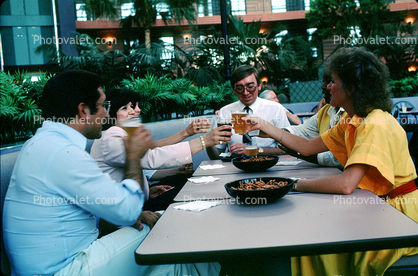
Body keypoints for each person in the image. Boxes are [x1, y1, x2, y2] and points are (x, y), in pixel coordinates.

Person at [2, 70, 221, 276]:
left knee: (168, 264)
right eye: (103, 105)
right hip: (64, 269)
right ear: (83, 110)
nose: (107, 112)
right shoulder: (64, 153)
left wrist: (135, 213)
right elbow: (126, 208)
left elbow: (77, 215)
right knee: (172, 224)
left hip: (55, 263)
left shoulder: (41, 144)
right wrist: (133, 159)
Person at [243, 47, 418, 276]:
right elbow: (306, 145)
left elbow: (346, 185)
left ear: (352, 87)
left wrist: (293, 184)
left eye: (333, 81)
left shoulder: (374, 124)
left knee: (314, 240)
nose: (327, 86)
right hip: (375, 206)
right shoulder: (351, 120)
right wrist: (266, 127)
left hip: (399, 217)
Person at [206, 65, 291, 159]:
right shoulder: (225, 112)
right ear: (234, 90)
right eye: (239, 88)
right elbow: (217, 154)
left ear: (259, 86)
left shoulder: (275, 109)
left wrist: (255, 150)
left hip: (268, 166)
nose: (246, 92)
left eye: (250, 87)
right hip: (234, 168)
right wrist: (207, 142)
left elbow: (289, 148)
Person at [282, 69, 345, 169]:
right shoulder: (327, 110)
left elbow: (338, 157)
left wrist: (300, 152)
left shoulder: (356, 116)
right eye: (323, 82)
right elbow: (303, 131)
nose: (324, 86)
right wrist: (272, 131)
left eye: (330, 81)